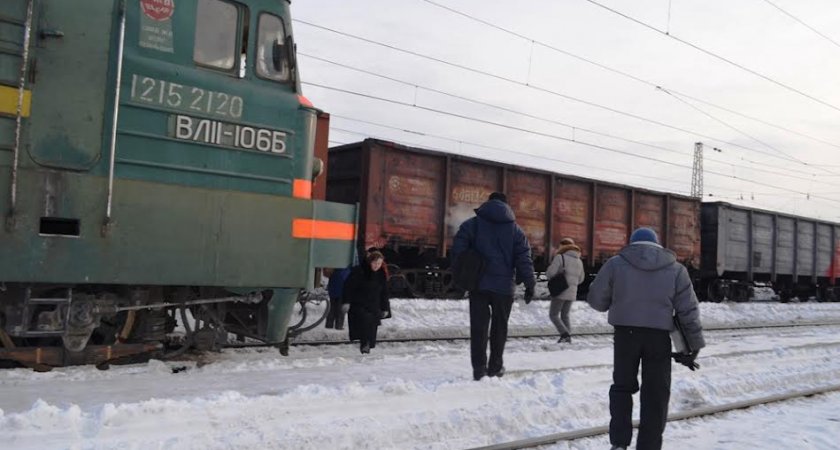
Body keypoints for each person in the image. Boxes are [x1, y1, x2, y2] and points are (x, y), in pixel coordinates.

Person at [586, 227, 705, 450]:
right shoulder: (676, 269)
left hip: (625, 336)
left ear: (632, 244)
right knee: (656, 393)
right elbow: (688, 310)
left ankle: (619, 444)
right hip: (658, 338)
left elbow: (596, 301)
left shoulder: (615, 264)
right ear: (657, 244)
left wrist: (619, 298)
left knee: (622, 387)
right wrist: (694, 343)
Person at [451, 192, 536, 381]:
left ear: (487, 203)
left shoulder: (471, 225)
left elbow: (458, 252)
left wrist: (461, 276)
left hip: (478, 285)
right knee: (500, 329)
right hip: (504, 288)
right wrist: (530, 283)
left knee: (478, 329)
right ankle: (495, 367)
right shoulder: (516, 231)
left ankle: (479, 370)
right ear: (507, 207)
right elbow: (524, 258)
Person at [342, 251, 392, 354]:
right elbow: (348, 287)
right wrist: (346, 302)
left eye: (379, 264)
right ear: (370, 262)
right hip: (359, 304)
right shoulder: (359, 272)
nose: (376, 266)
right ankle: (365, 345)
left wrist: (385, 308)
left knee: (372, 326)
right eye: (375, 263)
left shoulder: (381, 274)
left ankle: (368, 345)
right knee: (364, 323)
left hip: (374, 305)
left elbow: (384, 293)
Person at [545, 237, 586, 343]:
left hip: (560, 291)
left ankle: (565, 334)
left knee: (553, 315)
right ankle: (568, 338)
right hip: (572, 292)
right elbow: (581, 279)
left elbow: (550, 274)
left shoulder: (560, 257)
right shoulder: (579, 261)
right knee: (565, 315)